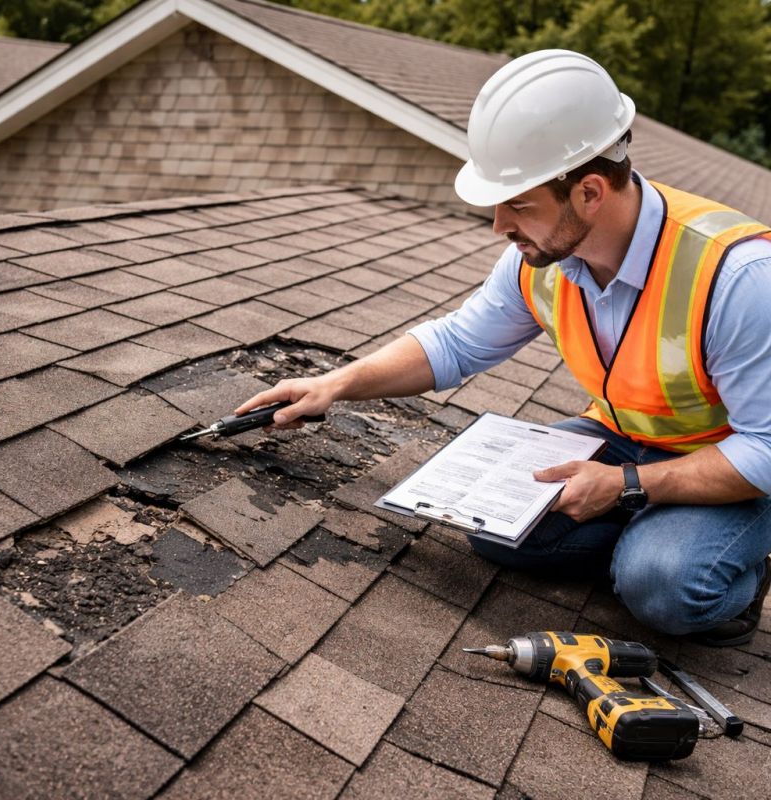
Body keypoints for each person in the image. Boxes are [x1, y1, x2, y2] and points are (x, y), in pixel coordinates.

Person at [236, 50, 771, 646]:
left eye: (517, 204)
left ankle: (721, 569)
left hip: (730, 467)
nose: (499, 225)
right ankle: (648, 536)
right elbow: (460, 342)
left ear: (589, 192)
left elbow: (766, 450)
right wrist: (335, 384)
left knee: (665, 585)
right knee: (490, 523)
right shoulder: (543, 258)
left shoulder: (739, 278)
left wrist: (625, 488)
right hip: (624, 440)